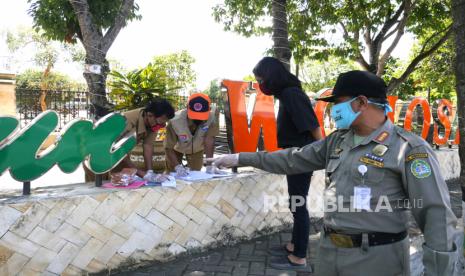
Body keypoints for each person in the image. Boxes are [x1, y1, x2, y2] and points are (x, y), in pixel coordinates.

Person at [208, 70, 458, 275]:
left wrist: (438, 270)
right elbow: (293, 159)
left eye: (338, 104)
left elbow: (435, 214)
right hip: (329, 253)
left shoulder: (409, 148)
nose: (333, 111)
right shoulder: (338, 141)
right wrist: (240, 157)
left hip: (378, 260)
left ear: (361, 102)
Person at [253, 57, 322, 271]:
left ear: (272, 77)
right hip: (296, 155)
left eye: (261, 79)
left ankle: (299, 257)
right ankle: (294, 245)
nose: (261, 84)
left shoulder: (292, 94)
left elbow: (313, 126)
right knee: (295, 202)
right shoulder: (287, 94)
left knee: (298, 204)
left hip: (302, 156)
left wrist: (323, 153)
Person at [84, 98, 175, 181]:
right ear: (150, 115)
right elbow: (120, 152)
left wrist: (150, 171)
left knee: (118, 183)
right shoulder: (126, 121)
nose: (162, 125)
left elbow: (148, 146)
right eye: (161, 122)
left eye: (164, 123)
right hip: (95, 152)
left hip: (115, 156)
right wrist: (140, 173)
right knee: (97, 185)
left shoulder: (152, 123)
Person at [164, 93, 220, 176]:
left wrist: (209, 164)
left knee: (196, 174)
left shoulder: (212, 118)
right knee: (172, 174)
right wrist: (177, 167)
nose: (198, 118)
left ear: (209, 109)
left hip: (197, 149)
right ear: (187, 107)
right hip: (176, 149)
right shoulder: (174, 121)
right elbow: (168, 147)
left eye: (201, 116)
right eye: (194, 115)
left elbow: (209, 140)